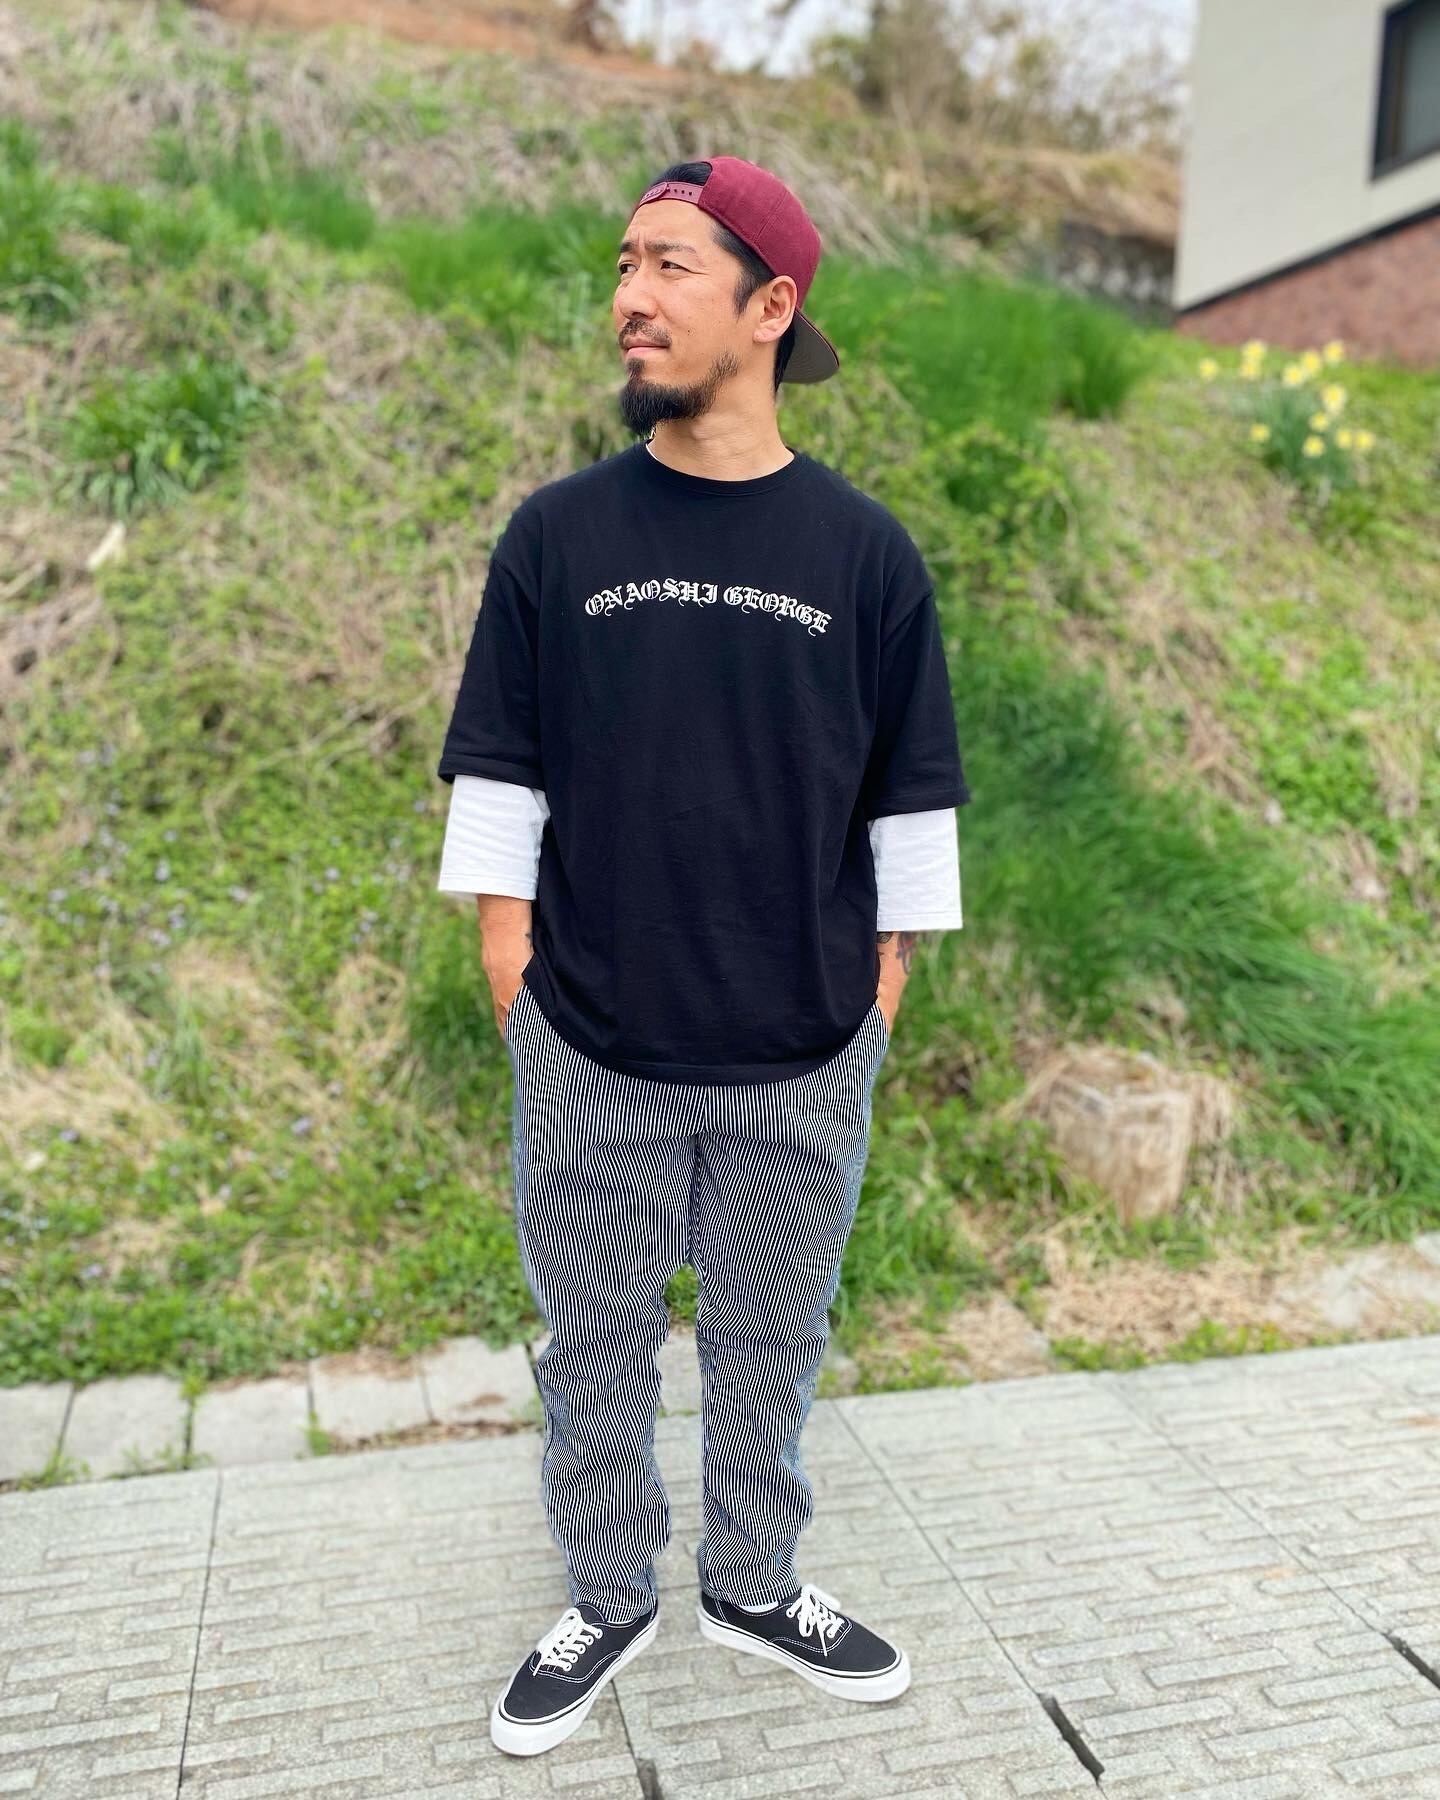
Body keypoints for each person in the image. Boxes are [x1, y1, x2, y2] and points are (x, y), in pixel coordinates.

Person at [435, 154, 970, 1759]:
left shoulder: (866, 555)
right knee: (593, 1346)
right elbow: (500, 777)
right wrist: (515, 986)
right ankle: (610, 1592)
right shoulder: (558, 535)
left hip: (802, 1053)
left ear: (771, 304)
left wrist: (878, 1005)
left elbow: (913, 806)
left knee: (771, 1344)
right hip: (589, 1044)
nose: (631, 296)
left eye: (670, 264)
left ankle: (752, 1582)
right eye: (623, 263)